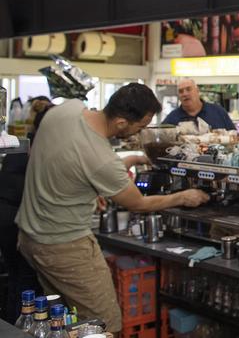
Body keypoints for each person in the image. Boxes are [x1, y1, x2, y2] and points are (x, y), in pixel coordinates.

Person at [15, 83, 210, 333]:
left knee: (61, 320)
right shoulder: (101, 159)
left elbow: (62, 159)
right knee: (104, 324)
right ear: (120, 123)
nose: (137, 134)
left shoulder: (66, 111)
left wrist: (122, 164)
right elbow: (137, 203)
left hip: (30, 237)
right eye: (139, 127)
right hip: (65, 246)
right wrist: (184, 196)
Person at [0, 100, 52, 323]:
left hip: (5, 218)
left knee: (17, 279)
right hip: (18, 222)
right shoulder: (40, 149)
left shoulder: (22, 144)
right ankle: (20, 325)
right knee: (26, 281)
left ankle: (12, 322)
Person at [162, 78, 236, 130]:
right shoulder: (171, 118)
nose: (185, 94)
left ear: (197, 91)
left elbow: (234, 136)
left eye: (188, 89)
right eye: (181, 91)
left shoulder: (218, 112)